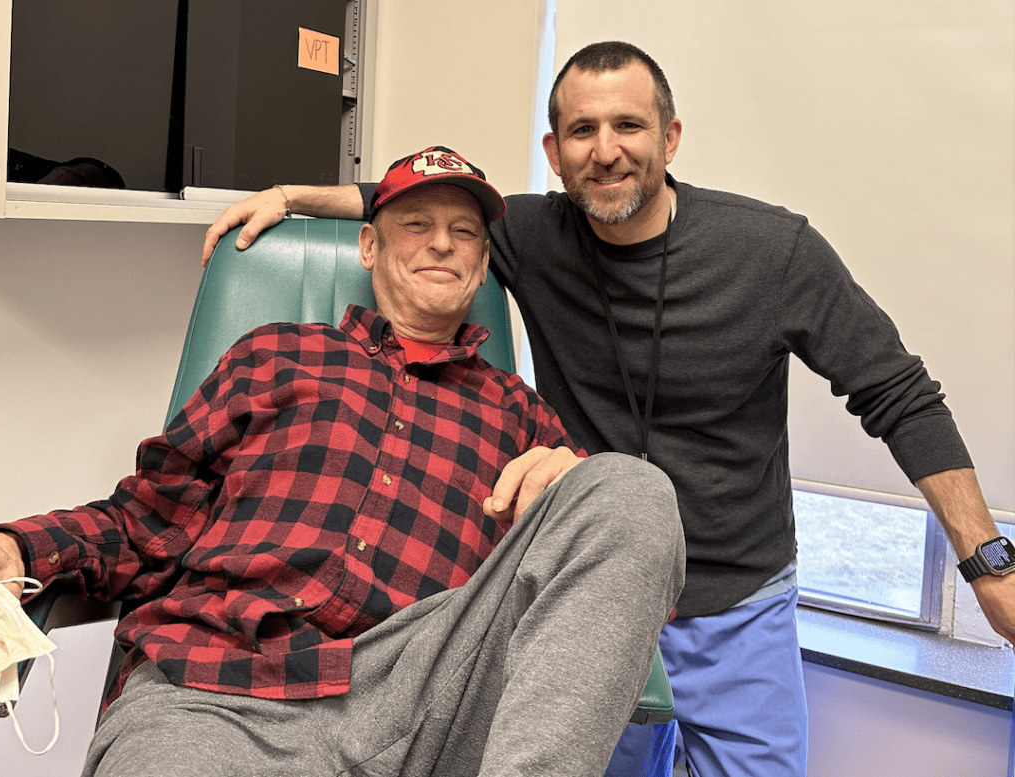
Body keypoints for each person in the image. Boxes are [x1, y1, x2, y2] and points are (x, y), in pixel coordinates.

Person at [201, 42, 1015, 777]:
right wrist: (286, 194)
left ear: (670, 137)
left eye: (629, 124)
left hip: (736, 597)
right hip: (591, 592)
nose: (606, 149)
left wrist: (987, 566)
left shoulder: (773, 252)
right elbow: (409, 207)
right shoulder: (524, 231)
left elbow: (898, 393)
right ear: (554, 153)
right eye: (581, 130)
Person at [0, 146, 686, 777]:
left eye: (465, 231)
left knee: (632, 490)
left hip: (422, 695)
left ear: (481, 264)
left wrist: (575, 490)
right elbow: (145, 521)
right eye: (416, 223)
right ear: (368, 245)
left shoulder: (520, 414)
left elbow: (615, 577)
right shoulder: (275, 354)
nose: (442, 241)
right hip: (217, 691)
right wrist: (20, 545)